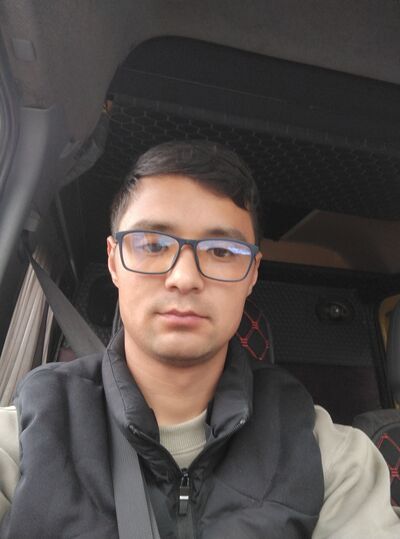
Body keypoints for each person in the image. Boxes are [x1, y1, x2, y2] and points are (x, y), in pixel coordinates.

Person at [0, 140, 400, 538]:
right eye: (153, 245)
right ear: (114, 261)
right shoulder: (25, 438)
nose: (185, 278)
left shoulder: (331, 458)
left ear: (252, 274)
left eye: (222, 251)